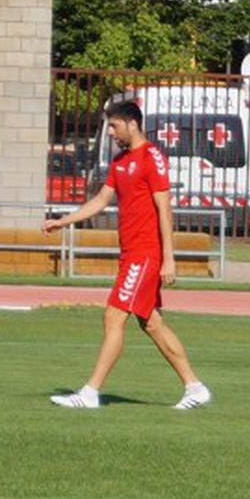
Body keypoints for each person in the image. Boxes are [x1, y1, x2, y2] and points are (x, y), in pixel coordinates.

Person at [43, 101, 211, 410]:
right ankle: (195, 387)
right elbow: (101, 200)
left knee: (113, 315)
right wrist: (63, 221)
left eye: (114, 126)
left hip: (145, 254)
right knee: (151, 323)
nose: (110, 132)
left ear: (132, 124)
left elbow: (165, 209)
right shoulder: (120, 162)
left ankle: (90, 392)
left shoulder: (152, 158)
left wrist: (169, 258)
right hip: (130, 253)